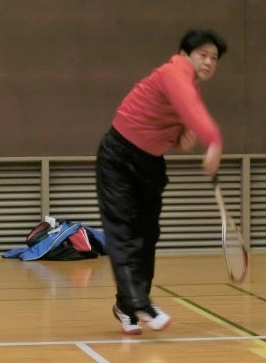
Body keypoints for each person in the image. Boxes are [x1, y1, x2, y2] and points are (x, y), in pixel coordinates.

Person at [95, 28, 226, 335]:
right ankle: (141, 303)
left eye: (214, 58)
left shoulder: (190, 87)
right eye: (203, 55)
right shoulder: (173, 71)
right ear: (184, 55)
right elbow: (191, 109)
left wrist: (179, 139)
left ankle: (126, 305)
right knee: (122, 232)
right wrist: (213, 140)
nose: (209, 62)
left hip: (150, 164)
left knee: (146, 236)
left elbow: (172, 122)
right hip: (118, 158)